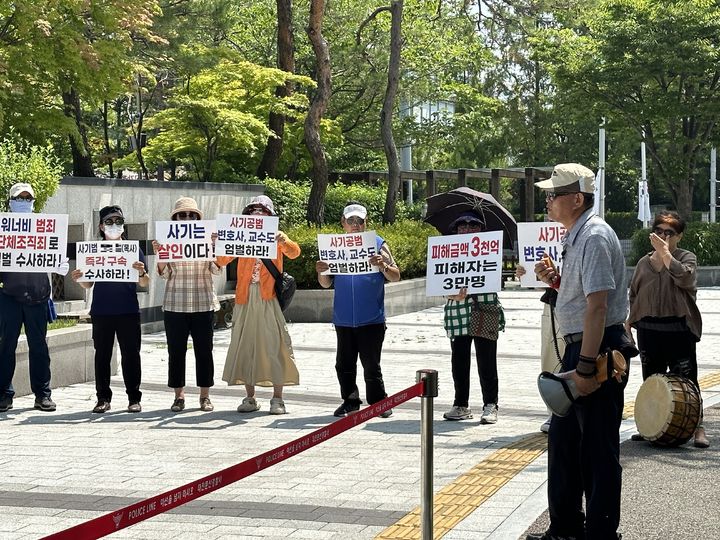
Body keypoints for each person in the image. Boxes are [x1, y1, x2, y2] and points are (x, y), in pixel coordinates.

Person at [528, 163, 636, 540]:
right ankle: (566, 527)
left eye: (553, 194)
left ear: (576, 199)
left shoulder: (592, 236)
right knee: (566, 444)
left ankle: (600, 531)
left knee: (595, 449)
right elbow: (586, 300)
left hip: (597, 349)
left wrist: (587, 367)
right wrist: (556, 281)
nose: (548, 200)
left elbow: (599, 306)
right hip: (587, 347)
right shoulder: (579, 234)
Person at [626, 210, 709, 448]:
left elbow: (685, 279)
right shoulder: (644, 262)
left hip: (678, 329)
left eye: (669, 233)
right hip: (649, 329)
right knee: (651, 380)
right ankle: (651, 426)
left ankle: (698, 428)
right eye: (659, 232)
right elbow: (634, 294)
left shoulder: (686, 258)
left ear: (679, 236)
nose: (664, 236)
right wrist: (629, 322)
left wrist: (665, 254)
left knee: (687, 379)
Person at [315, 202, 400, 418]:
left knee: (372, 364)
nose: (355, 225)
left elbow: (395, 275)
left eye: (359, 221)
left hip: (372, 317)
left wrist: (383, 265)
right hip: (343, 318)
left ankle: (379, 402)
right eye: (350, 220)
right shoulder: (334, 246)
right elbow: (325, 283)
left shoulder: (378, 243)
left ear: (365, 223)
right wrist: (321, 271)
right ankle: (350, 400)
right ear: (343, 223)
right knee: (343, 364)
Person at [218, 195, 300, 415]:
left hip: (268, 296)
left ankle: (278, 398)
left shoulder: (276, 236)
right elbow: (222, 260)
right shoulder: (240, 236)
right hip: (245, 296)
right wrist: (217, 241)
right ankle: (250, 397)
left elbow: (294, 252)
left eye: (263, 211)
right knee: (246, 344)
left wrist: (283, 240)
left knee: (276, 343)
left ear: (270, 215)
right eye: (254, 210)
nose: (258, 214)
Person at [71, 205, 149, 413]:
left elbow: (144, 283)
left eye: (118, 221)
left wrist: (141, 273)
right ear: (101, 226)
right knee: (102, 355)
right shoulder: (93, 251)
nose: (114, 225)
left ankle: (134, 398)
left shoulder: (133, 249)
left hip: (128, 311)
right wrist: (79, 279)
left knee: (131, 355)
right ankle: (102, 398)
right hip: (102, 311)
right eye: (109, 222)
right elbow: (88, 284)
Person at [152, 197, 220, 413]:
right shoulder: (168, 240)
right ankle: (179, 396)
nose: (187, 218)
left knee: (204, 352)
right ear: (175, 218)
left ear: (199, 218)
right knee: (176, 352)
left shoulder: (207, 239)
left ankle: (205, 396)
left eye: (192, 215)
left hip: (203, 302)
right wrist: (161, 254)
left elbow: (217, 269)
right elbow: (163, 273)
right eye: (183, 215)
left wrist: (215, 247)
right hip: (175, 304)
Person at [0, 183, 58, 413]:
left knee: (39, 347)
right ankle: (4, 394)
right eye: (19, 198)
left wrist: (59, 263)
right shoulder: (2, 227)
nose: (23, 202)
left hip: (38, 295)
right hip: (8, 295)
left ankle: (43, 395)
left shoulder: (45, 227)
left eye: (27, 198)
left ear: (33, 201)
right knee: (6, 346)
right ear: (10, 202)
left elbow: (55, 253)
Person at [441, 212, 504, 424]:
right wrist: (452, 293)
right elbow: (439, 283)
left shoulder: (490, 250)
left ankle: (491, 404)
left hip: (485, 308)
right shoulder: (447, 252)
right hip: (458, 310)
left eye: (473, 225)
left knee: (487, 358)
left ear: (482, 229)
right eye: (462, 225)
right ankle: (461, 404)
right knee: (458, 359)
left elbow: (497, 277)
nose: (467, 229)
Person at [516, 265, 565, 432]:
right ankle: (555, 411)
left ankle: (568, 413)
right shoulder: (548, 242)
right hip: (552, 305)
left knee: (574, 358)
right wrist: (527, 274)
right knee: (551, 358)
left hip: (578, 304)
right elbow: (542, 281)